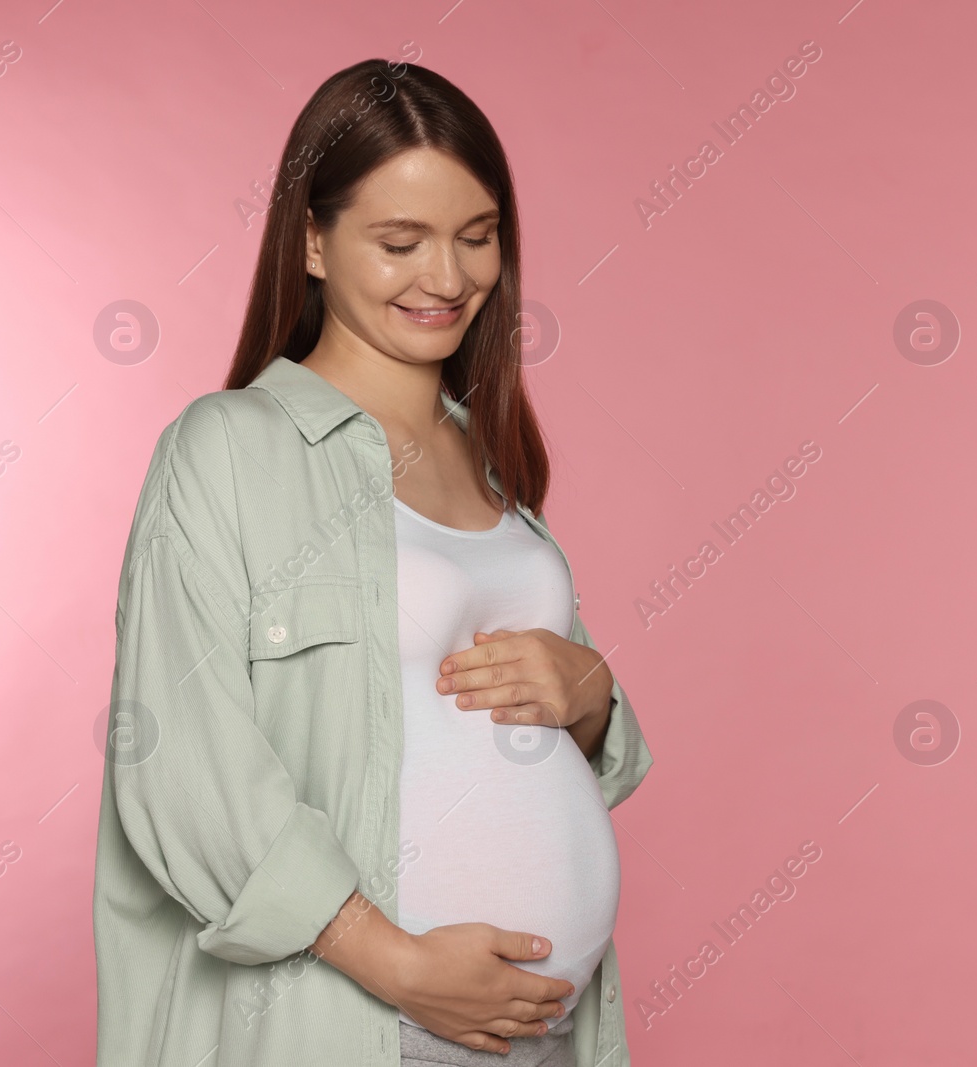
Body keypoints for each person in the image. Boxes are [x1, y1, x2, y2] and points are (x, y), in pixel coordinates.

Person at [92, 57, 654, 1067]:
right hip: (340, 1027)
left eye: (476, 237)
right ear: (311, 239)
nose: (447, 278)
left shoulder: (489, 460)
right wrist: (394, 962)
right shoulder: (228, 450)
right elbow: (179, 763)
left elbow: (534, 733)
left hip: (543, 1042)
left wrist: (594, 693)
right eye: (401, 242)